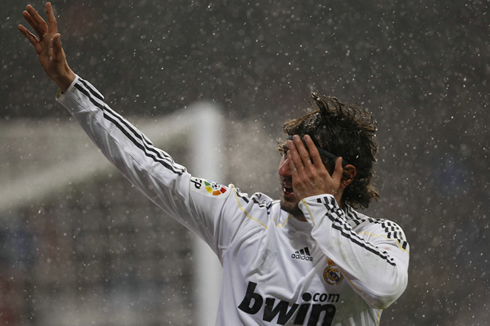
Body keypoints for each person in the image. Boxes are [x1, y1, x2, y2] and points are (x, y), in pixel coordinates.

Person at [19, 3, 409, 325]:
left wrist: (322, 206)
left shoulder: (379, 237)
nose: (285, 172)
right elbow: (150, 166)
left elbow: (384, 287)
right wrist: (72, 88)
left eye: (304, 161)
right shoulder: (240, 217)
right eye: (285, 157)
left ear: (346, 174)